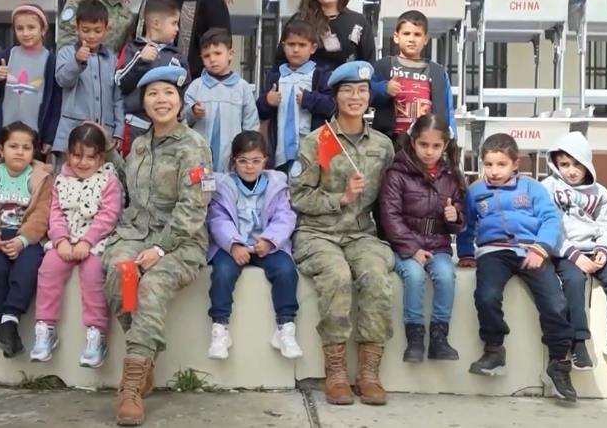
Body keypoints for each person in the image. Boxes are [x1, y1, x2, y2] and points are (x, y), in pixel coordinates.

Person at [102, 65, 213, 426]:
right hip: (136, 234)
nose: (160, 100)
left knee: (149, 286)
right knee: (119, 274)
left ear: (180, 100)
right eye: (152, 94)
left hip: (181, 242)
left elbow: (195, 206)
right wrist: (110, 153)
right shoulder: (139, 144)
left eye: (168, 93)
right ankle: (145, 358)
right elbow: (132, 189)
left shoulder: (194, 146)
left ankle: (131, 387)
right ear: (144, 102)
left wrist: (162, 248)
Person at [289, 61, 395, 406]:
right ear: (335, 96)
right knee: (336, 276)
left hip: (361, 233)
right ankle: (335, 373)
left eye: (362, 90)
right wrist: (342, 198)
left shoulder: (382, 146)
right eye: (347, 90)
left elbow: (390, 200)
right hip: (318, 233)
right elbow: (298, 196)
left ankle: (369, 374)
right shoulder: (317, 141)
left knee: (376, 276)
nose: (355, 97)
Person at [457, 133, 577, 402]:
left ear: (515, 164)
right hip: (494, 251)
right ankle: (494, 350)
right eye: (488, 164)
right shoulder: (475, 191)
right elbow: (467, 225)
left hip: (530, 250)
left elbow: (550, 219)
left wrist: (541, 248)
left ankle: (559, 363)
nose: (494, 171)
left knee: (555, 302)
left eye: (501, 164)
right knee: (486, 295)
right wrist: (465, 253)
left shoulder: (532, 188)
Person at [541, 132, 607, 368]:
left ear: (587, 163)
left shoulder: (600, 192)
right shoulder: (548, 188)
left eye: (577, 164)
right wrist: (574, 255)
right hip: (565, 252)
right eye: (564, 164)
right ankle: (578, 342)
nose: (571, 171)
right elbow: (549, 227)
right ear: (555, 164)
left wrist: (603, 250)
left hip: (594, 249)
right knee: (574, 281)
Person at [31, 123, 123, 366]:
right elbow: (55, 213)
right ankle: (45, 328)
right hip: (65, 240)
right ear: (68, 154)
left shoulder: (109, 181)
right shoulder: (61, 180)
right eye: (77, 155)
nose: (82, 162)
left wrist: (87, 241)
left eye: (90, 157)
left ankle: (97, 333)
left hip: (97, 240)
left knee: (93, 273)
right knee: (49, 267)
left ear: (100, 158)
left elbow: (108, 216)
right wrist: (60, 240)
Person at [205, 131, 302, 360]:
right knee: (223, 272)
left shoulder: (276, 184)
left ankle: (285, 327)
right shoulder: (223, 186)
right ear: (234, 161)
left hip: (266, 244)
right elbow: (218, 219)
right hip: (233, 246)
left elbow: (285, 217)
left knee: (286, 271)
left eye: (256, 160)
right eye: (243, 161)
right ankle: (220, 328)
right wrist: (233, 244)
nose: (250, 167)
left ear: (265, 161)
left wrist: (270, 240)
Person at [377, 114, 465, 363]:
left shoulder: (450, 176)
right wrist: (411, 248)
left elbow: (460, 217)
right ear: (413, 141)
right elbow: (390, 215)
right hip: (404, 246)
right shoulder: (397, 173)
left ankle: (439, 336)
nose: (429, 151)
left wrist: (455, 216)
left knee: (445, 275)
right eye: (423, 144)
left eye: (436, 146)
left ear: (445, 146)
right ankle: (415, 336)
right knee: (414, 276)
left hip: (438, 245)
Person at [0, 122, 51, 357]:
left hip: (27, 237)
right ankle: (7, 325)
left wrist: (23, 240)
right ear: (1, 149)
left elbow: (42, 213)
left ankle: (9, 320)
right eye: (13, 146)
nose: (20, 152)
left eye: (26, 147)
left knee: (27, 269)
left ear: (34, 152)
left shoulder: (42, 177)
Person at [257, 19, 334, 171]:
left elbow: (332, 106)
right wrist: (267, 101)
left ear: (313, 48)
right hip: (280, 153)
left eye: (302, 45)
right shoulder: (275, 76)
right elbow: (260, 111)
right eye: (291, 44)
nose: (296, 49)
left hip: (312, 152)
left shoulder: (320, 74)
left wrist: (310, 99)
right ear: (283, 46)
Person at [116, 0, 189, 155]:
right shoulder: (132, 49)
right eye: (174, 23)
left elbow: (185, 89)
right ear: (156, 23)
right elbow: (119, 83)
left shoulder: (177, 55)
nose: (177, 29)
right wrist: (140, 60)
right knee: (133, 167)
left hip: (169, 128)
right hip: (136, 126)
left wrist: (181, 116)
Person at [0, 4, 61, 160]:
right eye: (20, 28)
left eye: (31, 27)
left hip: (35, 136)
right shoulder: (5, 56)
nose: (25, 33)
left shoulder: (51, 60)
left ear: (43, 30)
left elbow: (55, 102)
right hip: (6, 133)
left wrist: (49, 137)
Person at [371, 9, 456, 141]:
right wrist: (384, 89)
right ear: (396, 37)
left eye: (417, 34)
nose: (411, 39)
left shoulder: (437, 71)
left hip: (425, 142)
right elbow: (367, 95)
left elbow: (447, 110)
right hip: (389, 141)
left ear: (426, 39)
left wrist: (451, 141)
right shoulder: (384, 66)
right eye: (406, 33)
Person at [54, 0, 124, 156]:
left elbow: (118, 98)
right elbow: (62, 80)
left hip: (104, 135)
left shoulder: (112, 59)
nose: (92, 36)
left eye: (97, 31)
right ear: (77, 28)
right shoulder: (66, 53)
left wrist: (119, 130)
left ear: (106, 29)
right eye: (86, 30)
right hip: (71, 133)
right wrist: (76, 61)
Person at [182, 28, 259, 172]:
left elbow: (251, 124)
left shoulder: (242, 87)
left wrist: (248, 152)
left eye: (217, 53)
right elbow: (182, 121)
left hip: (232, 160)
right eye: (207, 55)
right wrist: (193, 112)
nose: (212, 59)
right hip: (198, 159)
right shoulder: (196, 86)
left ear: (230, 54)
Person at [276, 0, 373, 70]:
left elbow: (369, 64)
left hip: (348, 81)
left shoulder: (359, 22)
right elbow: (280, 62)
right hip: (306, 81)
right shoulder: (300, 20)